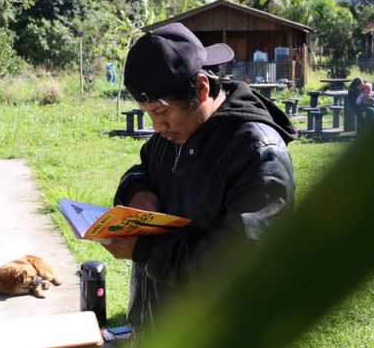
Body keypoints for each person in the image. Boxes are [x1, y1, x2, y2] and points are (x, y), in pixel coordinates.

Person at [101, 22, 297, 344]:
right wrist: (137, 189)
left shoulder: (259, 153)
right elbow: (143, 167)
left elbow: (240, 263)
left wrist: (146, 250)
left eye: (161, 111)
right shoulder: (173, 132)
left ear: (202, 88)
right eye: (147, 112)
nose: (157, 125)